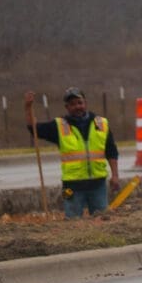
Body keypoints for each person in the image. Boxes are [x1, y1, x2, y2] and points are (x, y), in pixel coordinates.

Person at [25, 88, 120, 218]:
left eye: (79, 103)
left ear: (85, 103)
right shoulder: (59, 126)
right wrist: (28, 108)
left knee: (102, 220)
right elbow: (34, 128)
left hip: (98, 184)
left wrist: (115, 175)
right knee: (72, 222)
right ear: (67, 107)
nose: (77, 107)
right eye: (73, 104)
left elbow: (111, 151)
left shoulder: (101, 124)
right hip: (71, 186)